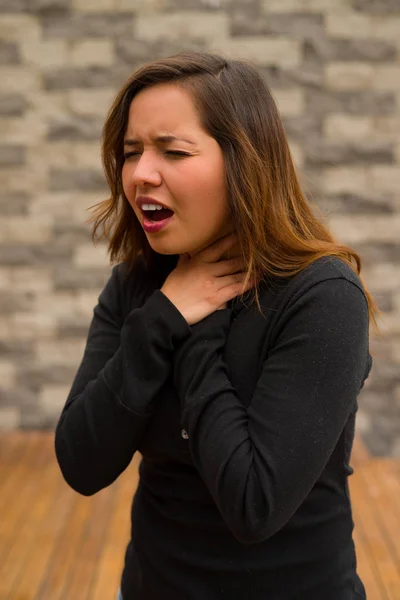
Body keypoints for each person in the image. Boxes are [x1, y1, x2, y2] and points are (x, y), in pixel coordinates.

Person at [54, 51, 380, 600]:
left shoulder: (322, 298)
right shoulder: (137, 289)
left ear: (244, 162)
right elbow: (82, 462)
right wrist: (163, 317)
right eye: (131, 152)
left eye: (173, 151)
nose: (141, 174)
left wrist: (196, 328)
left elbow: (255, 504)